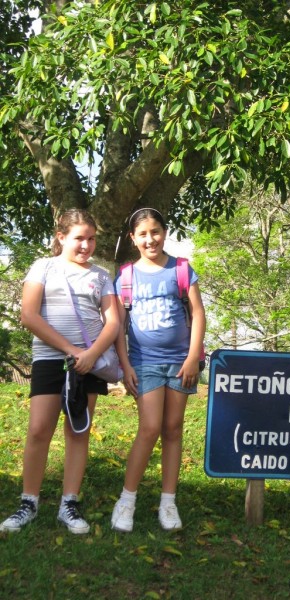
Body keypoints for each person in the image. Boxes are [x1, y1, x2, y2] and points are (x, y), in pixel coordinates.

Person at [0, 209, 119, 535]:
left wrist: (90, 355)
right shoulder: (43, 267)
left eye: (91, 238)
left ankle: (69, 504)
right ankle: (28, 502)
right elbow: (29, 315)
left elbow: (113, 322)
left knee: (78, 431)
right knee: (39, 429)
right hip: (51, 360)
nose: (86, 245)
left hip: (88, 364)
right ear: (61, 237)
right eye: (79, 238)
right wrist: (71, 350)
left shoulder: (101, 275)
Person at [111, 208, 206, 532]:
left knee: (173, 429)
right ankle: (127, 500)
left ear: (164, 233)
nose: (150, 239)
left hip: (180, 363)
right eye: (143, 234)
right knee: (150, 428)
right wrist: (125, 366)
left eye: (155, 232)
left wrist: (192, 357)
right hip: (144, 362)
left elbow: (198, 313)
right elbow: (119, 326)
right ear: (133, 238)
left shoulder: (181, 269)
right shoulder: (126, 277)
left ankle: (168, 502)